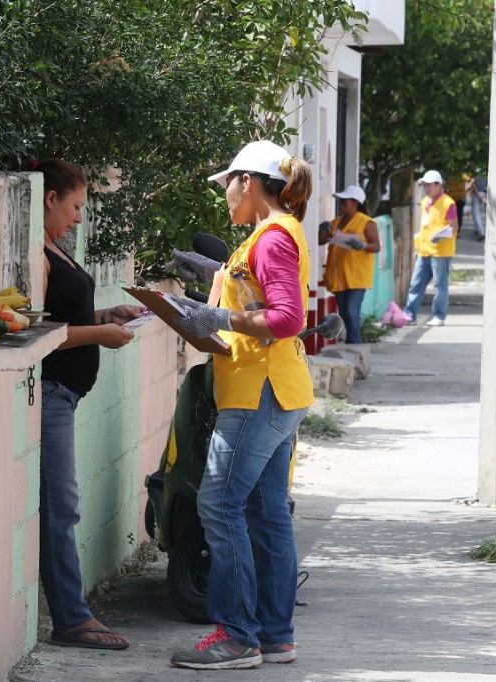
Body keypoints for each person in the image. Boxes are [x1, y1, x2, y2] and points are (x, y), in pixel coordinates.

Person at [169, 140, 313, 670]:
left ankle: (237, 637)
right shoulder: (273, 234)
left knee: (219, 504)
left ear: (248, 182)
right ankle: (275, 635)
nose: (225, 196)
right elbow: (256, 294)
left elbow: (285, 318)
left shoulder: (272, 238)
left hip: (258, 393)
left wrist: (219, 319)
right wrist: (216, 275)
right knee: (265, 512)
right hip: (277, 391)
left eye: (227, 184)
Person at [36, 158, 143, 650]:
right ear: (51, 198)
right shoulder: (36, 256)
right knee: (63, 508)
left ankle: (75, 614)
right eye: (75, 206)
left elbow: (67, 314)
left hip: (66, 396)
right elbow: (43, 335)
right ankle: (71, 619)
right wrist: (101, 333)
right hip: (52, 392)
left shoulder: (55, 249)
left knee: (64, 505)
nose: (79, 218)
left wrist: (107, 314)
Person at [318, 184, 380, 344]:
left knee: (352, 312)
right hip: (339, 276)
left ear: (355, 202)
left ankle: (355, 344)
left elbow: (376, 246)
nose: (342, 203)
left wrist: (363, 246)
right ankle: (352, 343)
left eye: (345, 200)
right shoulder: (336, 222)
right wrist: (323, 230)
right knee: (344, 313)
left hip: (357, 276)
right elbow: (321, 241)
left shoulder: (367, 223)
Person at [402, 170, 459, 327]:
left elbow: (453, 227)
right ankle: (409, 315)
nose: (426, 188)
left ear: (438, 185)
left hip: (441, 252)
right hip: (424, 250)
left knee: (440, 286)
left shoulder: (448, 203)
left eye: (429, 185)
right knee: (416, 284)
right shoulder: (425, 202)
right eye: (424, 185)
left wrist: (441, 235)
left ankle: (439, 316)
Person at [467, 174, 487, 241]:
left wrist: (478, 195)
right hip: (484, 193)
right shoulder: (485, 172)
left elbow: (473, 184)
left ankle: (481, 232)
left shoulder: (475, 173)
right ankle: (478, 230)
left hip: (477, 194)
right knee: (479, 213)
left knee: (476, 214)